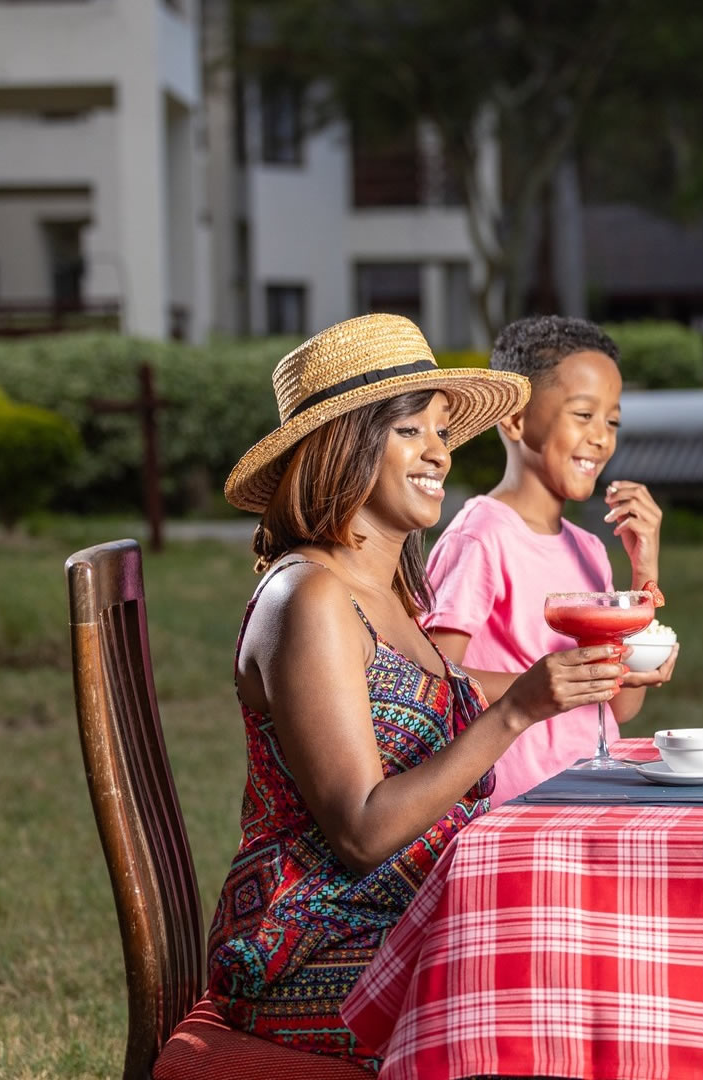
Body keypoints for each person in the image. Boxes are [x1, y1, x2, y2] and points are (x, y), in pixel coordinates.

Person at [171, 315, 628, 1072]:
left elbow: (441, 691)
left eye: (442, 433)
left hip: (404, 921)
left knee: (604, 956)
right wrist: (516, 712)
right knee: (556, 991)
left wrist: (572, 682)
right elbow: (360, 829)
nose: (441, 454)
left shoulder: (388, 597)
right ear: (346, 444)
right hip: (313, 946)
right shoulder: (310, 598)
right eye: (412, 432)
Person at [423, 315, 676, 806]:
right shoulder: (483, 535)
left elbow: (620, 706)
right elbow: (431, 681)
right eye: (583, 415)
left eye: (613, 421)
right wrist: (538, 685)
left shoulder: (590, 551)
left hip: (589, 798)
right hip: (512, 808)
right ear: (516, 420)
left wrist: (646, 568)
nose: (602, 437)